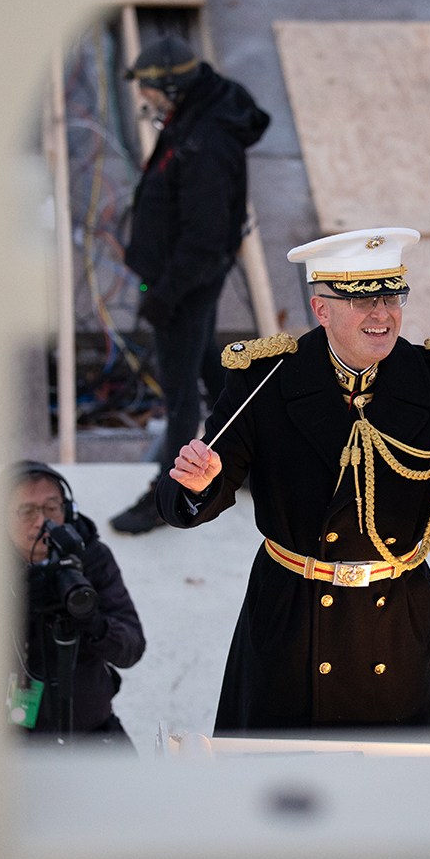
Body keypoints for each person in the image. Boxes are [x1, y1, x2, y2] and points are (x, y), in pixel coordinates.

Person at [158, 227, 430, 739]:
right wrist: (198, 485)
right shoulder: (266, 378)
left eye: (392, 294)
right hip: (292, 619)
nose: (382, 314)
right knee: (276, 793)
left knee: (388, 799)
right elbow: (209, 480)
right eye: (361, 299)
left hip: (392, 625)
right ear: (321, 309)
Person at [110, 35, 271, 534]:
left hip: (183, 284)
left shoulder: (206, 142)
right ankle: (250, 458)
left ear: (172, 86)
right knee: (206, 363)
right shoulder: (199, 111)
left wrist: (163, 296)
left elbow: (202, 242)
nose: (147, 100)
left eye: (151, 90)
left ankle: (169, 495)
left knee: (180, 397)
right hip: (183, 278)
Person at [9, 461, 146, 746]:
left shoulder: (92, 557)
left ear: (67, 510)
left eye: (51, 508)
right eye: (27, 511)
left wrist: (95, 624)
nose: (41, 521)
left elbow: (132, 648)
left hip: (93, 729)